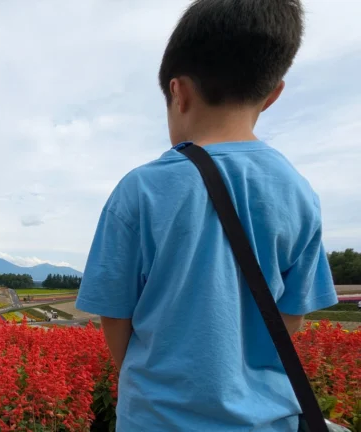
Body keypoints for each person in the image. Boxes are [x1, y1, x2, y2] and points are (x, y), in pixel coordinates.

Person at [75, 0, 337, 430]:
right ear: (273, 95)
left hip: (156, 419)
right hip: (267, 420)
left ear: (178, 93)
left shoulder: (139, 189)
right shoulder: (298, 192)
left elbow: (115, 319)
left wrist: (150, 380)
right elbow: (292, 319)